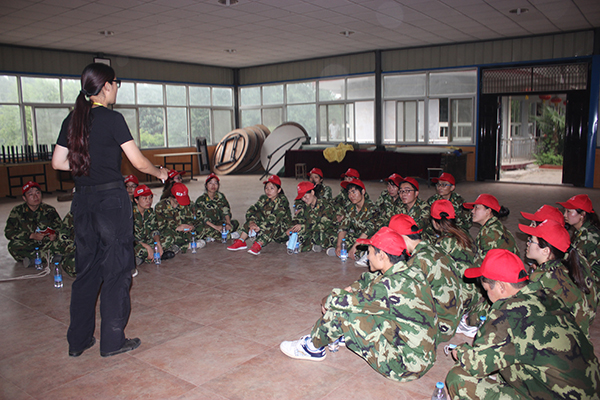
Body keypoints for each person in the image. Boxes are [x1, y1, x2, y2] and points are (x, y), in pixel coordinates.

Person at [52, 62, 169, 358]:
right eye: (116, 83)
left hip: (83, 203)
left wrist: (86, 166)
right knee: (117, 271)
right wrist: (159, 173)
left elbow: (58, 162)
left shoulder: (73, 120)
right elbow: (138, 161)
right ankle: (112, 342)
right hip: (110, 204)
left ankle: (78, 341)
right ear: (106, 86)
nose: (117, 88)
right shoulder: (113, 119)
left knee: (87, 273)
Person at [280, 227, 438, 383]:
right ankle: (341, 334)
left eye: (369, 252)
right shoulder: (412, 271)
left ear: (382, 255)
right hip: (421, 355)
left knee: (342, 313)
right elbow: (369, 279)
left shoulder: (387, 288)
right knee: (363, 305)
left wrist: (327, 299)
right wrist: (350, 288)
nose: (367, 257)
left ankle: (312, 347)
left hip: (404, 365)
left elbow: (336, 303)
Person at [446, 249, 600, 399]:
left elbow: (475, 364)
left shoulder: (506, 315)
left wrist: (460, 350)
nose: (487, 296)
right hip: (592, 389)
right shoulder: (549, 295)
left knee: (458, 377)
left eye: (486, 290)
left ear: (501, 286)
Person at [389, 214, 463, 343]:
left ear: (401, 237)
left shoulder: (418, 260)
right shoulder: (435, 249)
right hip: (452, 321)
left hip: (439, 329)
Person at [519, 219, 597, 338]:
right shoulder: (564, 267)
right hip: (579, 336)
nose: (527, 243)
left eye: (531, 241)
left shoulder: (542, 277)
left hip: (566, 341)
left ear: (546, 251)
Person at [429, 199, 477, 312]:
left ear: (434, 222)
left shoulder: (443, 242)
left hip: (462, 296)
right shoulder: (464, 234)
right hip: (477, 290)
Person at [227, 175, 291, 255]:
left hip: (281, 232)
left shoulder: (283, 201)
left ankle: (258, 244)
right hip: (266, 230)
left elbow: (274, 218)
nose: (268, 191)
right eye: (266, 188)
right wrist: (252, 222)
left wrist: (259, 227)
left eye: (272, 188)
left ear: (279, 190)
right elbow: (252, 210)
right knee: (256, 215)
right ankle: (241, 241)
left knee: (272, 224)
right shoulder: (264, 198)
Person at [5, 181, 62, 266]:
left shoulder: (49, 210)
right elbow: (9, 232)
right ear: (24, 198)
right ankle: (48, 257)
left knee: (64, 243)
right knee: (13, 246)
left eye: (38, 193)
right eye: (30, 194)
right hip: (29, 243)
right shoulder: (17, 212)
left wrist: (55, 235)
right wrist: (30, 235)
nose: (35, 197)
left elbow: (61, 228)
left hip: (46, 242)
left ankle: (34, 260)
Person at [328, 178, 379, 266]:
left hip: (370, 238)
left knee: (372, 245)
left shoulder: (372, 209)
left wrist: (355, 246)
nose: (351, 196)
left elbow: (368, 230)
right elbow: (343, 227)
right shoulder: (350, 208)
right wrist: (339, 245)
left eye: (354, 192)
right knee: (335, 237)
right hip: (358, 237)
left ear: (363, 192)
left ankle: (365, 255)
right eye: (349, 193)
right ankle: (351, 252)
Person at [463, 193, 519, 263]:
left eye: (476, 207)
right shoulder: (495, 224)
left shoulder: (489, 232)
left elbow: (483, 263)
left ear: (488, 211)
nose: (472, 211)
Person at [558, 194, 600, 286]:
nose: (564, 215)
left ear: (582, 214)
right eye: (565, 211)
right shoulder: (583, 230)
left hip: (594, 284)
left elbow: (573, 262)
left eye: (569, 211)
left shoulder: (589, 236)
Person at [155, 182, 204, 254]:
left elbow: (190, 219)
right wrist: (177, 228)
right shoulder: (160, 206)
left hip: (184, 231)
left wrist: (190, 226)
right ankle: (185, 245)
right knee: (168, 237)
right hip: (171, 232)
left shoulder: (184, 204)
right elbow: (160, 227)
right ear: (172, 196)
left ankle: (178, 246)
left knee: (201, 228)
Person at [288, 181, 337, 252]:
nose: (304, 199)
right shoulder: (307, 206)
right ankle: (314, 245)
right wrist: (291, 227)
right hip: (312, 231)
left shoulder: (325, 206)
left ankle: (318, 246)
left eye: (305, 196)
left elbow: (323, 226)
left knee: (318, 235)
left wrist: (303, 226)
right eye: (302, 198)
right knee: (296, 234)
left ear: (312, 192)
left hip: (327, 232)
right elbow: (298, 218)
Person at [133, 185, 174, 266]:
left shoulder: (150, 212)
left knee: (169, 236)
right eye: (145, 198)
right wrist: (146, 246)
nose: (149, 201)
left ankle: (150, 255)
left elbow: (154, 230)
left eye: (150, 198)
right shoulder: (130, 214)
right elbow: (128, 237)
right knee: (138, 250)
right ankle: (153, 255)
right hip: (136, 244)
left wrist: (157, 242)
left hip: (148, 240)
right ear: (136, 200)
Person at [194, 173, 240, 242]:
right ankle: (229, 235)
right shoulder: (201, 200)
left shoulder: (221, 196)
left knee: (235, 222)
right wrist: (216, 227)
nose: (213, 186)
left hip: (220, 223)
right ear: (206, 185)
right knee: (200, 229)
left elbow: (226, 210)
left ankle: (216, 235)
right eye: (210, 183)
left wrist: (228, 223)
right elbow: (202, 218)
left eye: (215, 183)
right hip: (208, 225)